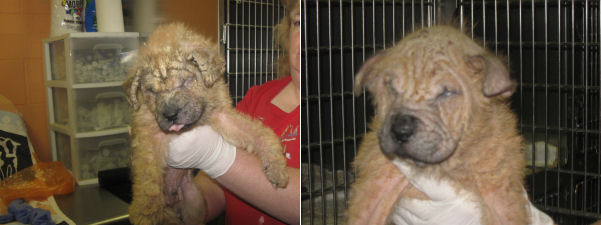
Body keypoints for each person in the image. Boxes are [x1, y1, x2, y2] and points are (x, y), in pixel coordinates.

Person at [166, 0, 300, 224]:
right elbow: (219, 184)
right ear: (287, 31)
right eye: (298, 22)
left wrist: (214, 154)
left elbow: (318, 207)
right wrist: (188, 199)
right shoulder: (257, 97)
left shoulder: (342, 112)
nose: (305, 40)